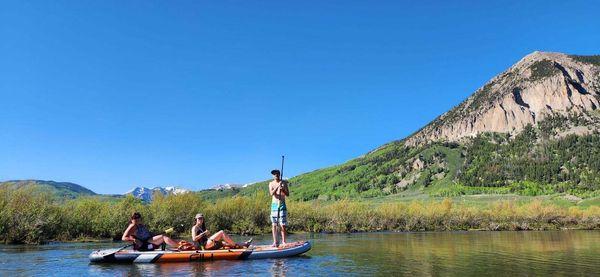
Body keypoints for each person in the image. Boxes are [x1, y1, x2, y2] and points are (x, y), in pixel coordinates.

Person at [269, 169, 289, 247]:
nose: (276, 175)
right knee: (274, 224)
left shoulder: (284, 183)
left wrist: (283, 189)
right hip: (274, 205)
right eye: (274, 174)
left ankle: (284, 241)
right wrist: (278, 186)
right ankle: (275, 242)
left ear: (279, 174)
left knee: (282, 224)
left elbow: (287, 194)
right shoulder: (271, 183)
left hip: (282, 205)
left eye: (277, 174)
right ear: (273, 175)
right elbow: (271, 193)